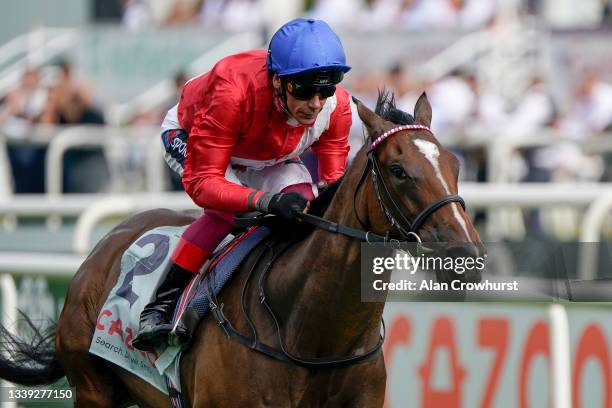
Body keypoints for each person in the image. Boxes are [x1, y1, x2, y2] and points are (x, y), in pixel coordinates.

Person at [132, 18, 353, 351]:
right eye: (305, 89)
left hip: (261, 153)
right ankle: (162, 305)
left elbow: (334, 182)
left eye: (327, 87)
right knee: (229, 213)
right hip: (193, 137)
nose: (316, 102)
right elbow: (203, 183)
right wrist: (264, 200)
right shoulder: (232, 91)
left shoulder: (337, 107)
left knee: (302, 206)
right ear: (278, 81)